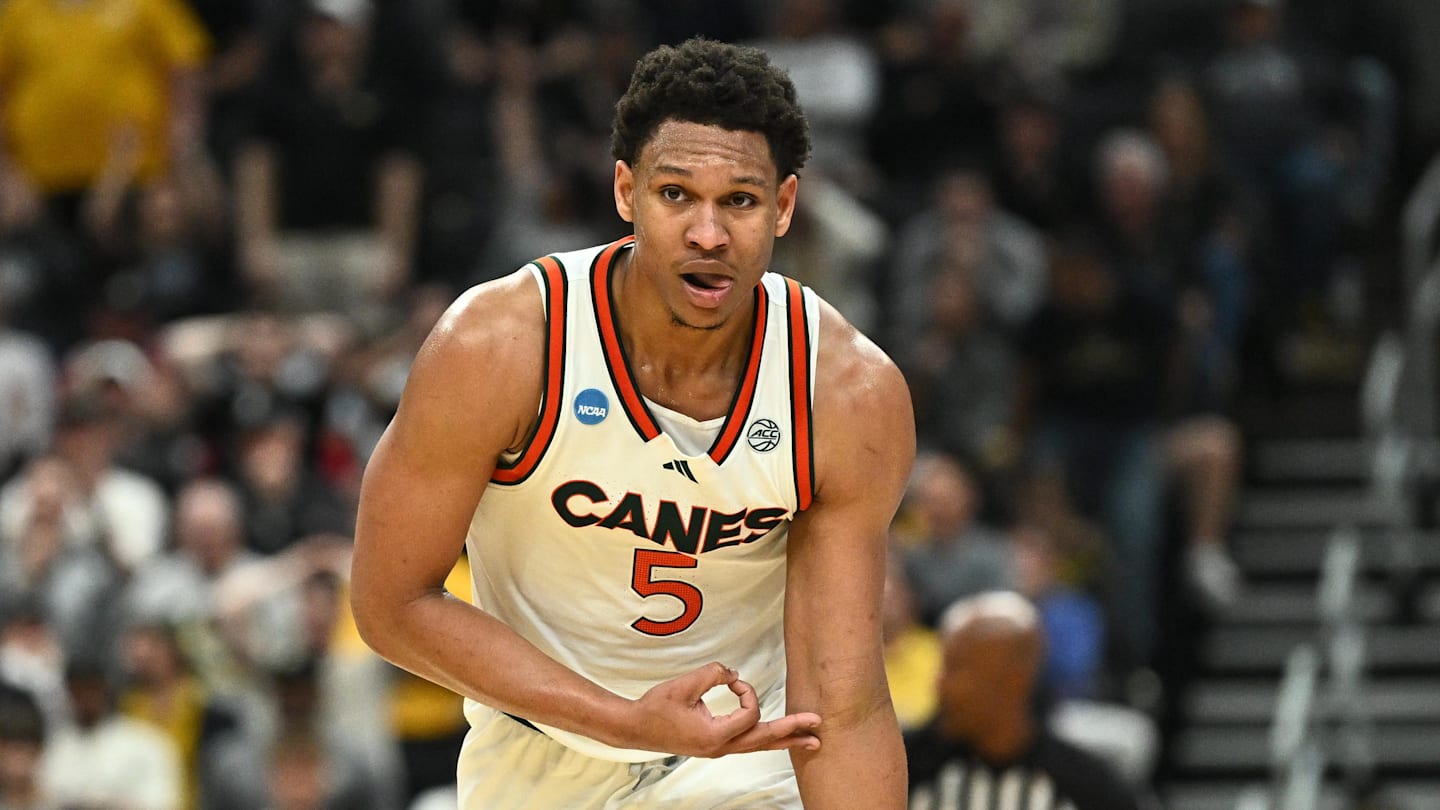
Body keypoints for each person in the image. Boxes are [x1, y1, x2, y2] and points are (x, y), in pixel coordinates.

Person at [350, 37, 915, 808]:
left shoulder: (845, 391)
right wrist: (626, 723)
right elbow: (391, 603)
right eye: (676, 194)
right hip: (540, 755)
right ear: (625, 191)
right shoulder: (503, 345)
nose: (707, 234)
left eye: (739, 201)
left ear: (784, 206)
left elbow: (841, 702)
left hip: (742, 759)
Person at [905, 591, 1143, 810]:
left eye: (957, 668)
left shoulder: (1087, 789)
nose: (940, 685)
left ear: (1014, 678)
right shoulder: (906, 769)